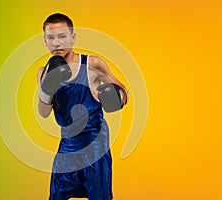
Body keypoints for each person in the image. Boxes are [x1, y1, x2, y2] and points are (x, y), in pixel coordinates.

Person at [37, 13, 128, 200]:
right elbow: (44, 112)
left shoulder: (92, 64)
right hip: (68, 146)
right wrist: (47, 89)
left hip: (95, 147)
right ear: (45, 40)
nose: (56, 43)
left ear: (73, 37)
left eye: (62, 36)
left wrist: (115, 96)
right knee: (57, 195)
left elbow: (123, 92)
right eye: (51, 38)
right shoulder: (43, 72)